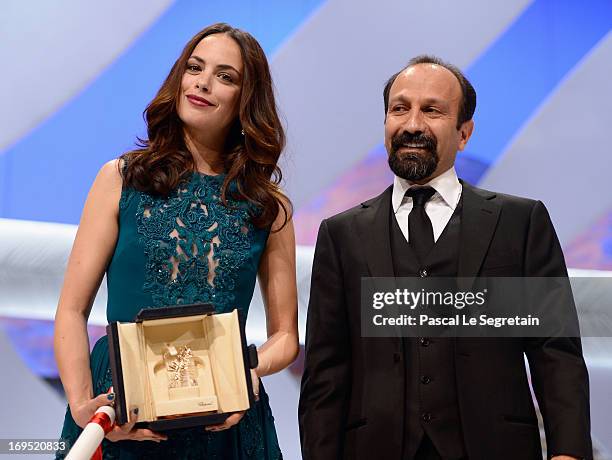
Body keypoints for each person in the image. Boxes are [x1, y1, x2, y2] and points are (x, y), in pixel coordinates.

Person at [298, 55, 592, 460]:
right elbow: (325, 372)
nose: (413, 124)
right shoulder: (341, 234)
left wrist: (569, 452)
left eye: (432, 110)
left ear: (464, 132)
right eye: (399, 109)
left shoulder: (520, 222)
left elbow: (555, 350)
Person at [54, 23, 299, 459]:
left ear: (247, 100)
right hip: (121, 410)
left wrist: (244, 371)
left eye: (226, 76)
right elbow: (72, 310)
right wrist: (83, 408)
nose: (203, 82)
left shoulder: (267, 206)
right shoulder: (121, 179)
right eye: (195, 67)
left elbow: (285, 337)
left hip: (225, 420)